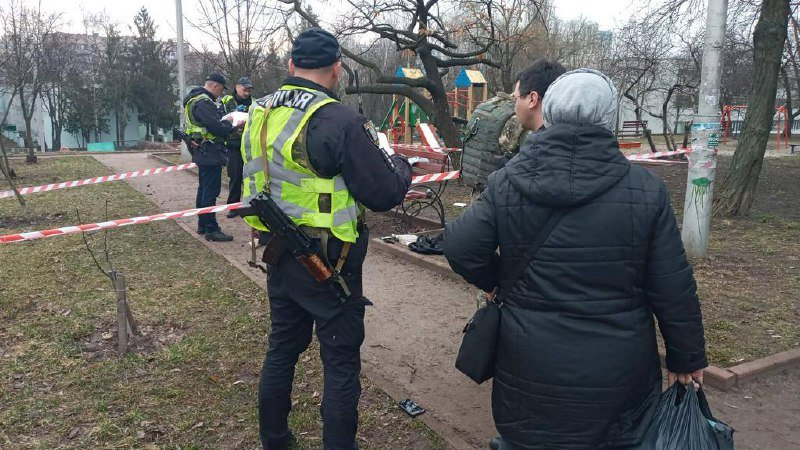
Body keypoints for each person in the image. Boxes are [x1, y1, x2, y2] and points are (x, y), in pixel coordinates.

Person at [443, 69, 708, 450]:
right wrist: (687, 357)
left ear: (548, 111)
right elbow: (672, 284)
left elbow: (459, 247)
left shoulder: (508, 181)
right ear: (609, 120)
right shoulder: (645, 191)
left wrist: (500, 280)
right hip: (619, 374)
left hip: (529, 364)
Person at [241, 28, 412, 449]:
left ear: (290, 65)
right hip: (329, 263)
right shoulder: (338, 119)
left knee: (281, 349)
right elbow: (384, 192)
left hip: (279, 253)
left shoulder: (259, 111)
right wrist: (401, 164)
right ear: (336, 69)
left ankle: (274, 440)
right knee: (339, 360)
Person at [183, 72, 239, 241]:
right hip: (210, 151)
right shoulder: (204, 102)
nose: (220, 94)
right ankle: (211, 229)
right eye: (221, 90)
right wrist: (229, 122)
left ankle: (202, 224)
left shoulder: (193, 100)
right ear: (215, 86)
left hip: (202, 150)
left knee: (203, 189)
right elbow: (217, 128)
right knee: (210, 191)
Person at [220, 76, 254, 218]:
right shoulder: (226, 101)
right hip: (232, 145)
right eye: (244, 89)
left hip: (249, 145)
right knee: (235, 176)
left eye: (249, 90)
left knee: (250, 177)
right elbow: (219, 120)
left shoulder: (254, 103)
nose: (247, 93)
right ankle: (233, 206)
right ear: (236, 87)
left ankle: (249, 206)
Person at [512, 58, 566, 133]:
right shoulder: (582, 138)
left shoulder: (539, 144)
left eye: (515, 99)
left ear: (532, 99)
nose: (514, 108)